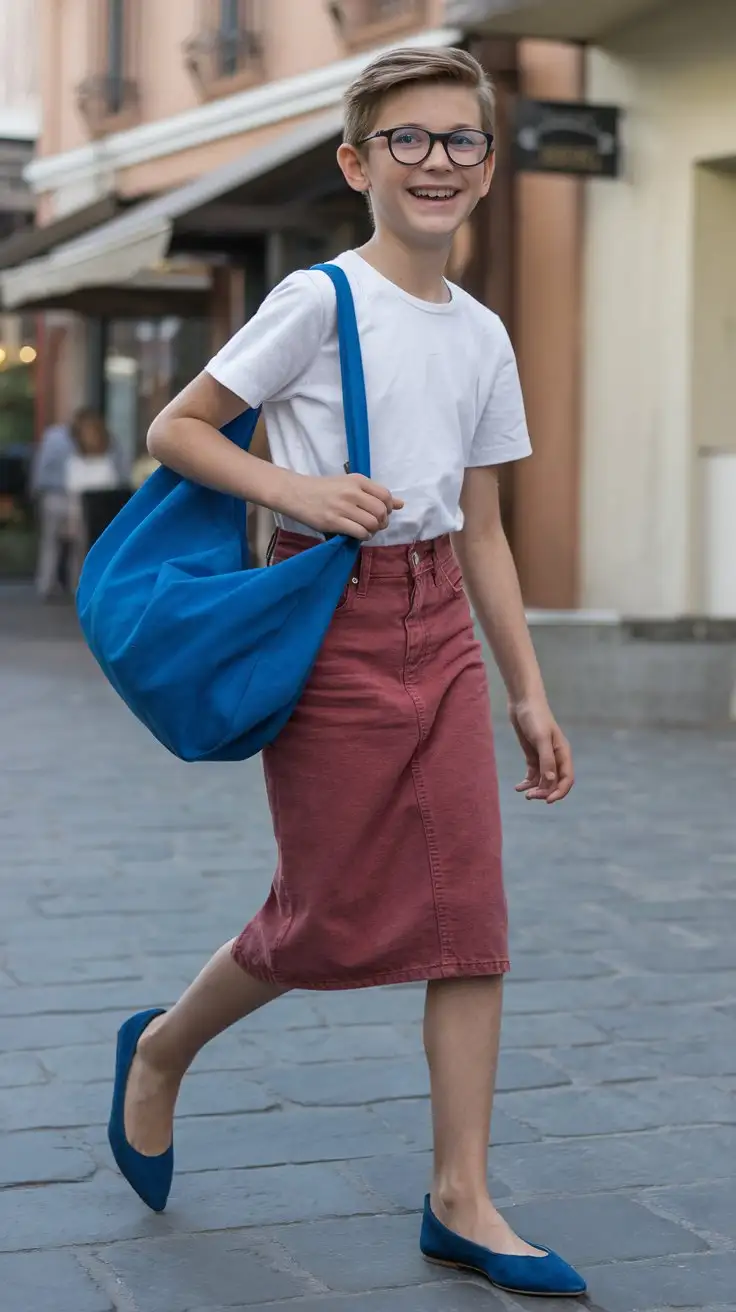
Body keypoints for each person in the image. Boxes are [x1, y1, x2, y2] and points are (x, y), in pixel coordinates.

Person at [111, 47, 586, 1298]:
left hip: (441, 633)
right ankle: (160, 1052)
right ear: (357, 161)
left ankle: (461, 1198)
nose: (437, 161)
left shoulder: (483, 335)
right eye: (409, 140)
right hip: (334, 623)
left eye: (461, 142)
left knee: (471, 924)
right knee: (320, 914)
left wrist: (526, 690)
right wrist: (293, 486)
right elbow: (178, 427)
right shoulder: (318, 301)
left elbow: (482, 531)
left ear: (487, 165)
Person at [31, 408, 125, 598]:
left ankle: (47, 585)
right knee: (80, 548)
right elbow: (119, 471)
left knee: (51, 545)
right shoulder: (107, 440)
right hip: (87, 500)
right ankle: (78, 586)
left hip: (56, 496)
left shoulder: (54, 437)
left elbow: (41, 471)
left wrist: (35, 492)